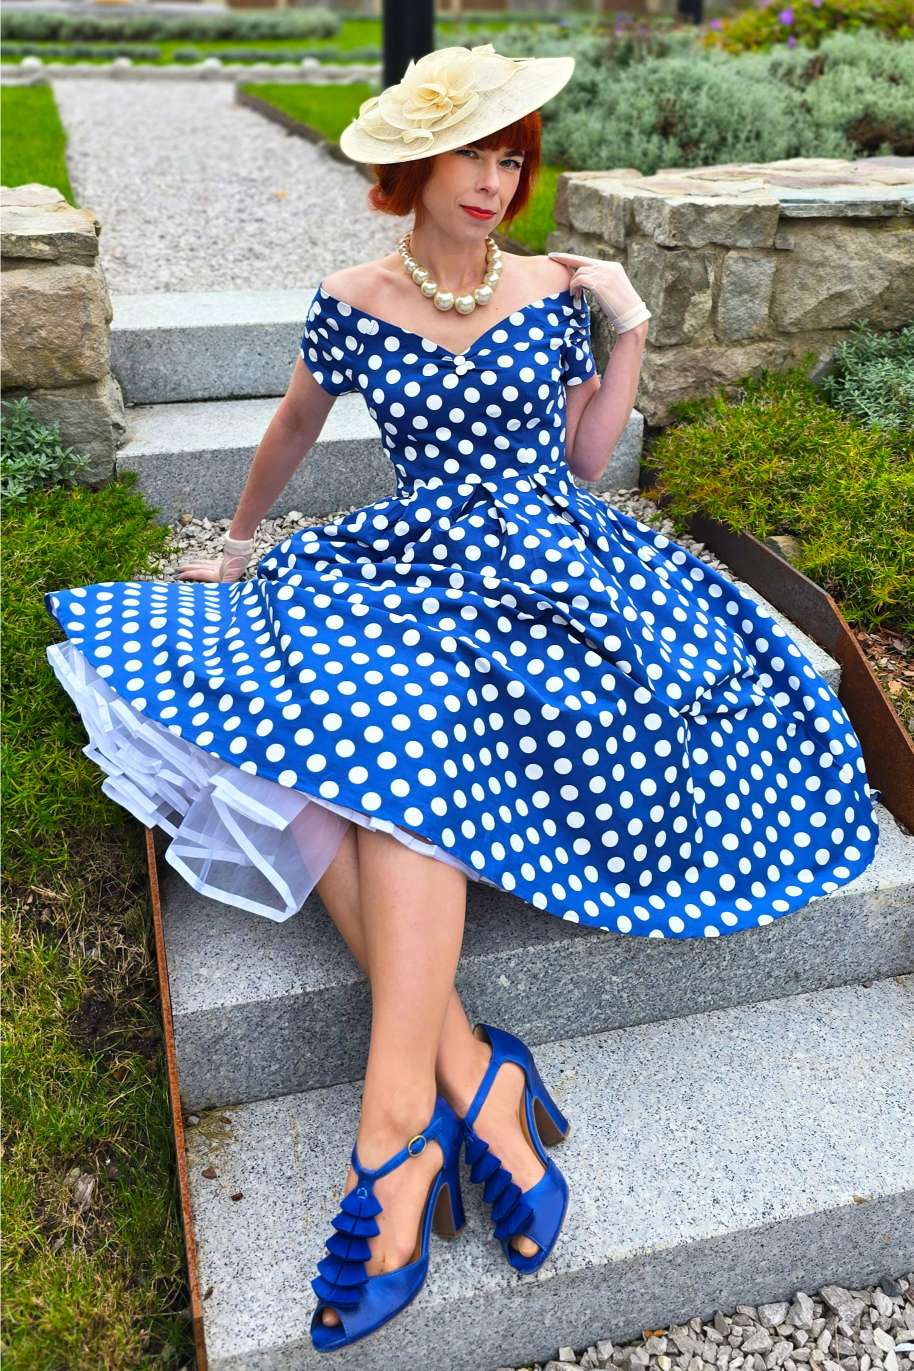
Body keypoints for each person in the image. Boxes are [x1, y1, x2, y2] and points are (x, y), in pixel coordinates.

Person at [45, 42, 880, 1353]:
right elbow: (293, 425)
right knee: (356, 716)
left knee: (390, 737)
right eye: (475, 152)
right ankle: (467, 1083)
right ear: (409, 165)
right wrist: (245, 536)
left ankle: (405, 1136)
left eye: (512, 155)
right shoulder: (350, 295)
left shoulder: (553, 289)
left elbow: (587, 459)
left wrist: (629, 329)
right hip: (410, 555)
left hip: (551, 552)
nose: (498, 179)